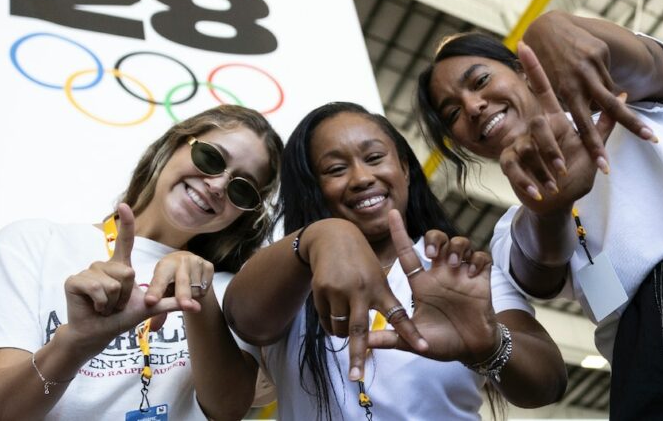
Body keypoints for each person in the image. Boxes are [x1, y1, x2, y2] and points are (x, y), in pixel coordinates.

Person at [416, 10, 663, 420]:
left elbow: (652, 65)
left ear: (522, 69)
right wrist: (549, 207)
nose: (473, 106)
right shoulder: (511, 226)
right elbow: (539, 274)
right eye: (453, 113)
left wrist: (554, 28)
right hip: (644, 352)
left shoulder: (624, 101)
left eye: (480, 81)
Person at [224, 102, 566, 420]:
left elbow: (548, 384)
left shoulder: (459, 271)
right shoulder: (290, 275)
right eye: (336, 168)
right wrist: (319, 236)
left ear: (404, 167)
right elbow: (245, 319)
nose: (361, 178)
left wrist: (489, 343)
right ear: (313, 187)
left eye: (374, 158)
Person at [0, 105, 283, 420]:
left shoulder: (231, 291)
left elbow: (229, 410)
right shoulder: (30, 245)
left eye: (241, 189)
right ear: (173, 145)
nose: (216, 186)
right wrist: (75, 343)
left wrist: (201, 299)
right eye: (210, 158)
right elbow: (2, 413)